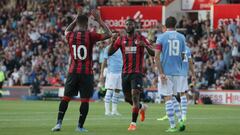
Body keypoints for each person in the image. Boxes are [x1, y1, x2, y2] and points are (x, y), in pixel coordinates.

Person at [51, 9, 112, 132]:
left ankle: (58, 124)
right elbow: (109, 34)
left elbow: (66, 30)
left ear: (77, 23)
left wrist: (75, 19)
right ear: (87, 24)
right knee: (84, 100)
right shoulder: (90, 35)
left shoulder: (71, 35)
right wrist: (99, 20)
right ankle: (79, 126)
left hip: (73, 72)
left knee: (66, 98)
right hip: (86, 73)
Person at [108, 18, 155, 131]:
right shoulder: (121, 39)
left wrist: (145, 45)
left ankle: (133, 123)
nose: (128, 26)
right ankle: (141, 107)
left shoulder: (141, 38)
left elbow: (153, 53)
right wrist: (112, 42)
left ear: (134, 26)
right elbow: (109, 53)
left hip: (137, 73)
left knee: (135, 96)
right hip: (125, 73)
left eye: (130, 24)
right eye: (127, 24)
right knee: (128, 99)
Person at [155, 16, 186, 132]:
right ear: (176, 25)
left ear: (165, 26)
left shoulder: (161, 37)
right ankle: (180, 119)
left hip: (166, 72)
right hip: (177, 72)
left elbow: (157, 56)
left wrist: (161, 73)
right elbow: (183, 55)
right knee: (173, 97)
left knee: (167, 98)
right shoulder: (182, 37)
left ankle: (173, 126)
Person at [100, 33, 123, 116]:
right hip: (112, 73)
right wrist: (101, 74)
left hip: (120, 72)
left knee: (117, 91)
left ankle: (114, 110)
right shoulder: (108, 48)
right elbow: (104, 61)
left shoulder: (121, 48)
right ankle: (107, 111)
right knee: (109, 91)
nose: (114, 38)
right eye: (113, 37)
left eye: (116, 37)